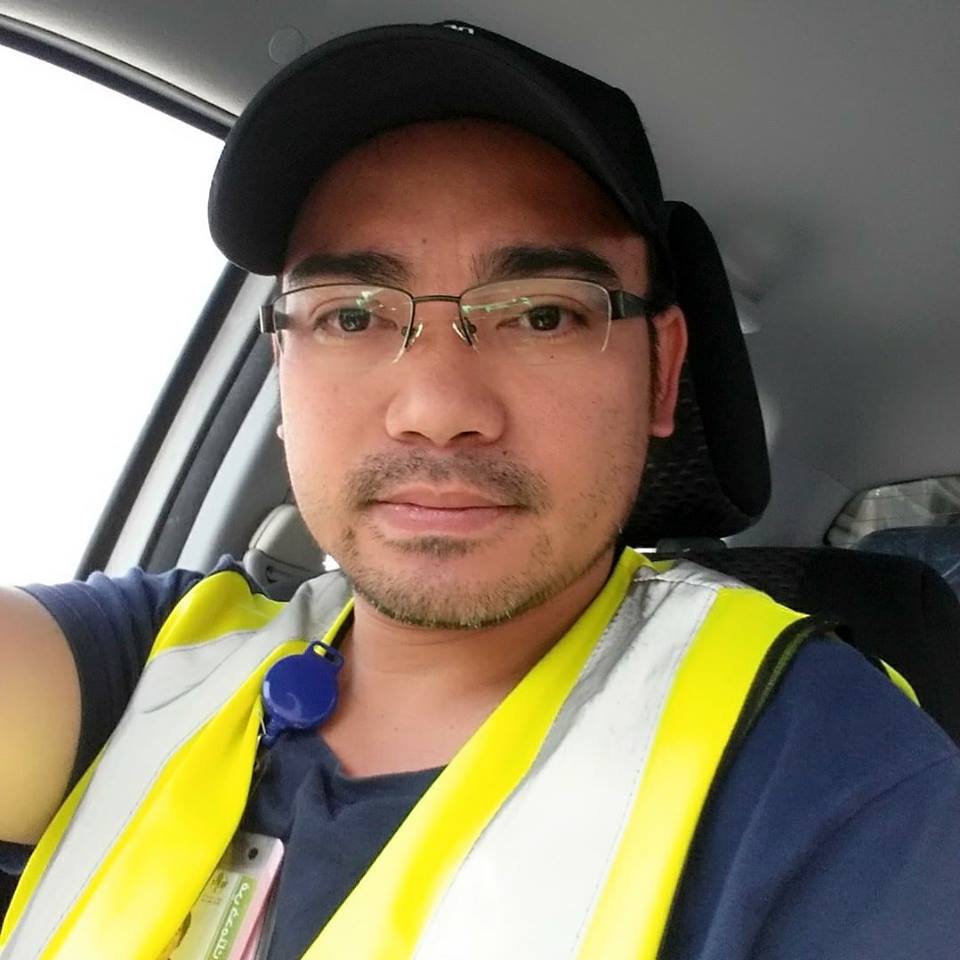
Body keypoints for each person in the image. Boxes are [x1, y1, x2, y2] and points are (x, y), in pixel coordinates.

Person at [2, 19, 959, 960]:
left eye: (543, 315)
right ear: (283, 371)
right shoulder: (161, 656)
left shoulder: (841, 788)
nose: (435, 408)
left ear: (662, 376)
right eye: (351, 317)